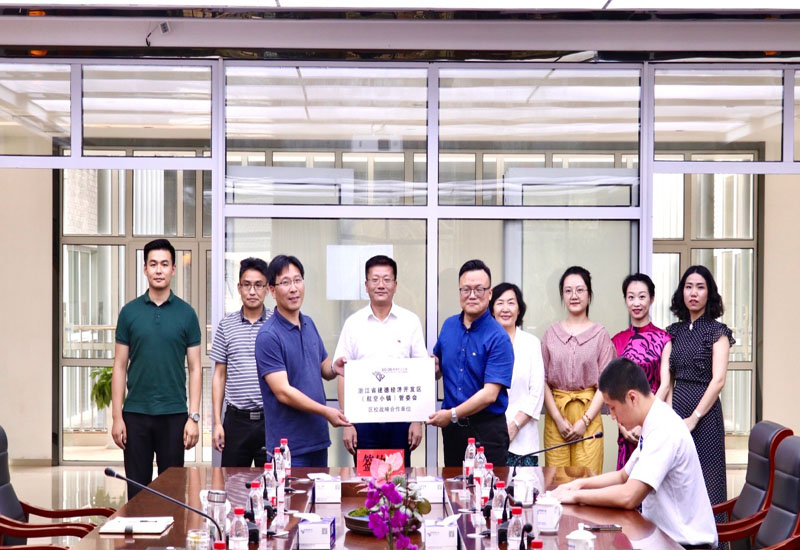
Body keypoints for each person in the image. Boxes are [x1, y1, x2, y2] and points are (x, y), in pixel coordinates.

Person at [552, 357, 718, 550]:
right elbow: (623, 476)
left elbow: (629, 496)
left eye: (612, 407)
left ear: (632, 398)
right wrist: (577, 485)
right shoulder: (654, 419)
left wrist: (576, 497)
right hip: (659, 536)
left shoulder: (663, 429)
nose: (612, 416)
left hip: (684, 544)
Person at [111, 239, 202, 499]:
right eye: (153, 264)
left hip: (174, 415)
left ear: (173, 269)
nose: (158, 270)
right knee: (136, 494)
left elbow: (195, 368)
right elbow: (119, 365)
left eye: (164, 264)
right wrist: (117, 417)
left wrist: (193, 418)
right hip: (135, 415)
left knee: (172, 494)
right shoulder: (129, 313)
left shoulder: (187, 314)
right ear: (145, 269)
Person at [255, 254, 349, 467]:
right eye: (285, 282)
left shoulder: (309, 324)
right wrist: (326, 412)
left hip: (317, 441)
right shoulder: (268, 336)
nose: (293, 288)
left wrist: (335, 367)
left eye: (297, 280)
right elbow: (283, 392)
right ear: (272, 290)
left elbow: (323, 367)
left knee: (319, 490)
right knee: (290, 492)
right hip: (288, 448)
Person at [334, 255, 428, 467]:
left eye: (387, 279)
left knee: (399, 480)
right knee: (366, 480)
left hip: (401, 421)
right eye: (375, 279)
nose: (381, 285)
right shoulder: (353, 323)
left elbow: (420, 372)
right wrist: (347, 423)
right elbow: (343, 375)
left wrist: (417, 420)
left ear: (395, 285)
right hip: (363, 422)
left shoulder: (410, 321)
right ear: (366, 285)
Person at [656, 265, 734, 517]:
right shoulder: (673, 332)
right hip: (676, 413)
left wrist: (694, 417)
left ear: (709, 293)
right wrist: (670, 414)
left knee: (708, 482)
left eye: (700, 287)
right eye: (688, 287)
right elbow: (667, 379)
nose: (693, 293)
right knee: (677, 480)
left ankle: (714, 536)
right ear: (682, 292)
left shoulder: (718, 332)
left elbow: (718, 380)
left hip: (706, 416)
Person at [426, 259, 514, 467]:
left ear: (490, 294)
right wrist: (426, 367)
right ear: (459, 292)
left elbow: (490, 394)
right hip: (453, 432)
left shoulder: (498, 337)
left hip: (487, 431)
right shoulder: (449, 326)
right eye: (466, 289)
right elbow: (438, 368)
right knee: (453, 484)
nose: (472, 295)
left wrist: (452, 414)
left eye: (479, 289)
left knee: (487, 486)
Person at [541, 266, 615, 473]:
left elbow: (605, 384)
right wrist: (557, 419)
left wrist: (585, 421)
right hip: (557, 416)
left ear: (589, 295)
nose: (574, 296)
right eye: (568, 291)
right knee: (556, 481)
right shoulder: (551, 334)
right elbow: (542, 381)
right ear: (562, 296)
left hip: (589, 415)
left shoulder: (601, 335)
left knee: (588, 480)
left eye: (580, 290)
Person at [210, 257, 272, 467]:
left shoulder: (276, 324)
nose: (252, 291)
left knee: (272, 482)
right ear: (239, 288)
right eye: (247, 285)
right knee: (232, 481)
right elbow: (219, 375)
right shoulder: (226, 325)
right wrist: (217, 423)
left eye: (258, 285)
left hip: (270, 420)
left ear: (267, 289)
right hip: (236, 421)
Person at [611, 273, 671, 469]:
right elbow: (614, 389)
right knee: (626, 479)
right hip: (626, 427)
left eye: (642, 296)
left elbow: (665, 385)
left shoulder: (664, 339)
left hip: (654, 422)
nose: (636, 303)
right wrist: (622, 425)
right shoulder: (617, 341)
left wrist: (644, 421)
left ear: (652, 299)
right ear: (625, 300)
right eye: (631, 297)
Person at [489, 282, 545, 467]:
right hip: (490, 436)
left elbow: (536, 392)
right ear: (492, 309)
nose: (505, 309)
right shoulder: (484, 342)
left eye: (511, 303)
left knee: (525, 485)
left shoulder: (531, 343)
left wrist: (514, 425)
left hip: (523, 438)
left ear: (519, 309)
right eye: (500, 303)